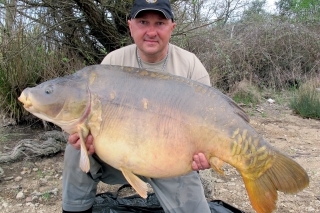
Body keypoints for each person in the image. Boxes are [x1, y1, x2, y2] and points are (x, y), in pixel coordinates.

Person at [62, 0, 211, 212]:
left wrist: (209, 155)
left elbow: (209, 126)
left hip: (169, 161)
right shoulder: (113, 63)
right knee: (75, 150)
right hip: (118, 158)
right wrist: (86, 138)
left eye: (160, 23)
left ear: (172, 27)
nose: (151, 31)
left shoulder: (191, 66)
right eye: (143, 22)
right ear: (130, 25)